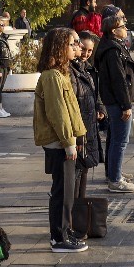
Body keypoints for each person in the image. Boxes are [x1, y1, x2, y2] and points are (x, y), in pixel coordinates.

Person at [34, 27, 89, 254]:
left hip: (66, 140)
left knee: (67, 191)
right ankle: (58, 237)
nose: (77, 47)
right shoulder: (52, 76)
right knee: (62, 191)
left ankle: (65, 231)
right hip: (59, 142)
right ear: (59, 47)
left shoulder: (61, 74)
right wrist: (69, 142)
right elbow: (58, 113)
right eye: (72, 43)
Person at [94, 12, 134, 193]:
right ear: (114, 31)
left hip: (114, 99)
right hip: (117, 101)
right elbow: (119, 79)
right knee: (120, 141)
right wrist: (126, 105)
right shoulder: (112, 50)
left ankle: (115, 172)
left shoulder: (112, 46)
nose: (126, 29)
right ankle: (115, 179)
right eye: (122, 26)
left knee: (115, 139)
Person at [72, 33, 106, 210]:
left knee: (84, 171)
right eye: (83, 49)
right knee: (75, 176)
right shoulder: (70, 70)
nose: (85, 53)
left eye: (90, 50)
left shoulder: (88, 69)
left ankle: (79, 215)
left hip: (89, 126)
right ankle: (72, 216)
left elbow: (94, 93)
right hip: (78, 129)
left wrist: (100, 109)